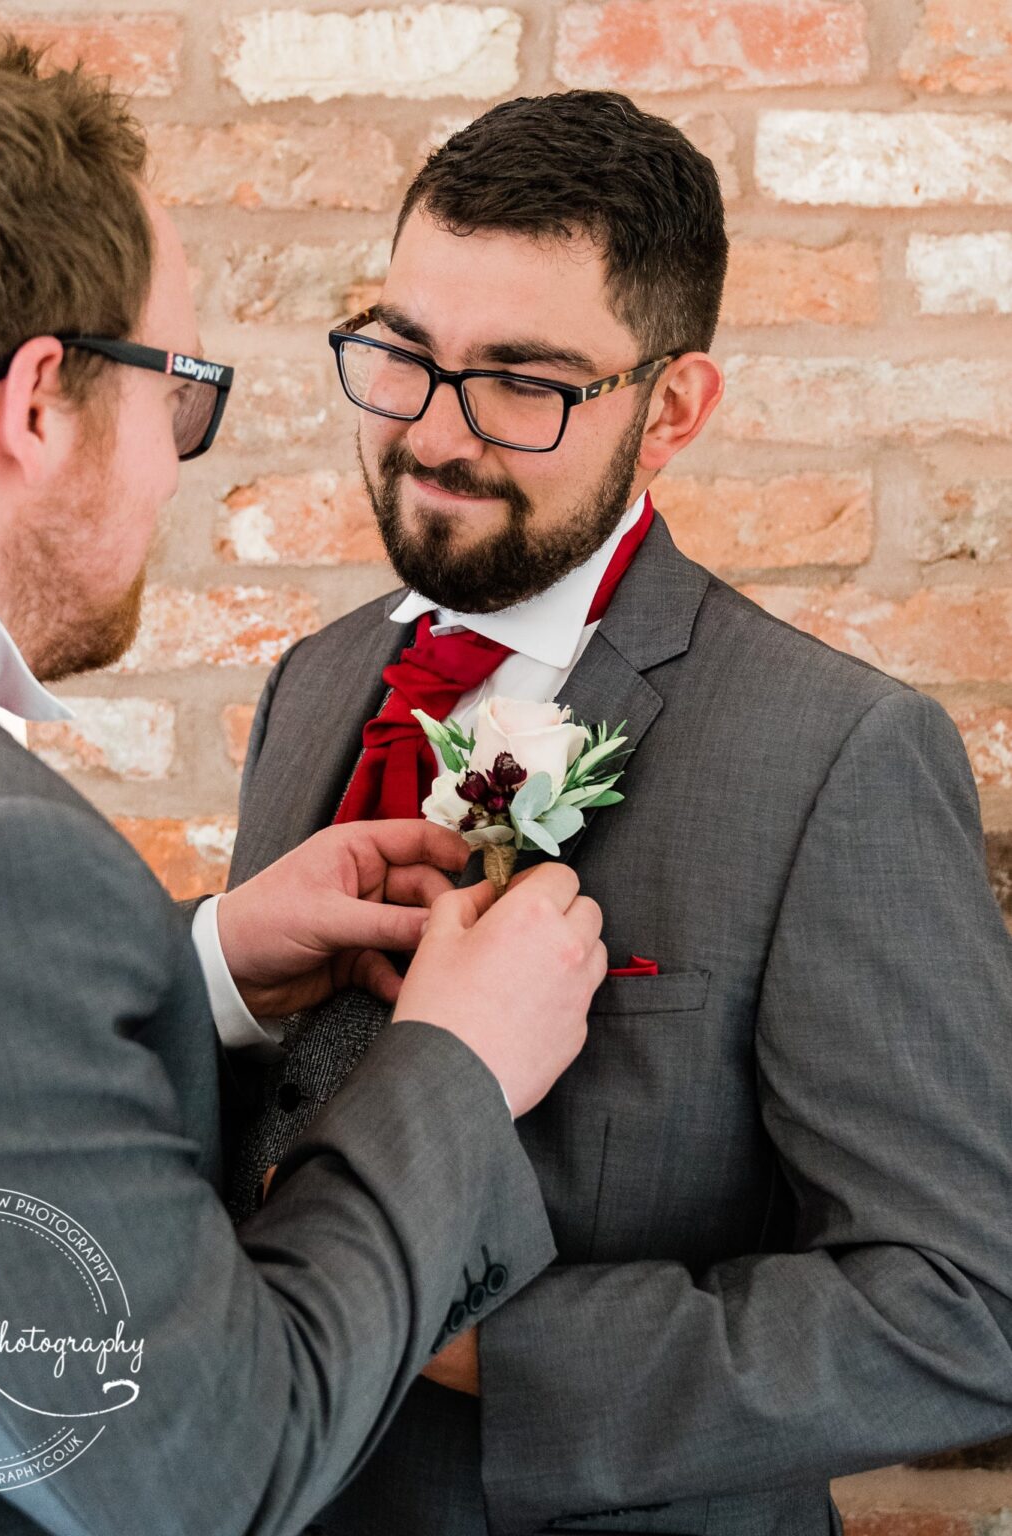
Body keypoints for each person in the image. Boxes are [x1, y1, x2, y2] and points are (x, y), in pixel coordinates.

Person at [0, 43, 609, 1535]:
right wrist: (456, 1071)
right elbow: (203, 1479)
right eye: (178, 395)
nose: (176, 471)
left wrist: (205, 965)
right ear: (39, 398)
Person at [226, 91, 1012, 1535]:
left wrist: (463, 1343)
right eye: (401, 354)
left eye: (523, 382)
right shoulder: (315, 679)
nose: (431, 435)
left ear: (671, 409)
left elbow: (964, 1305)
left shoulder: (837, 754)